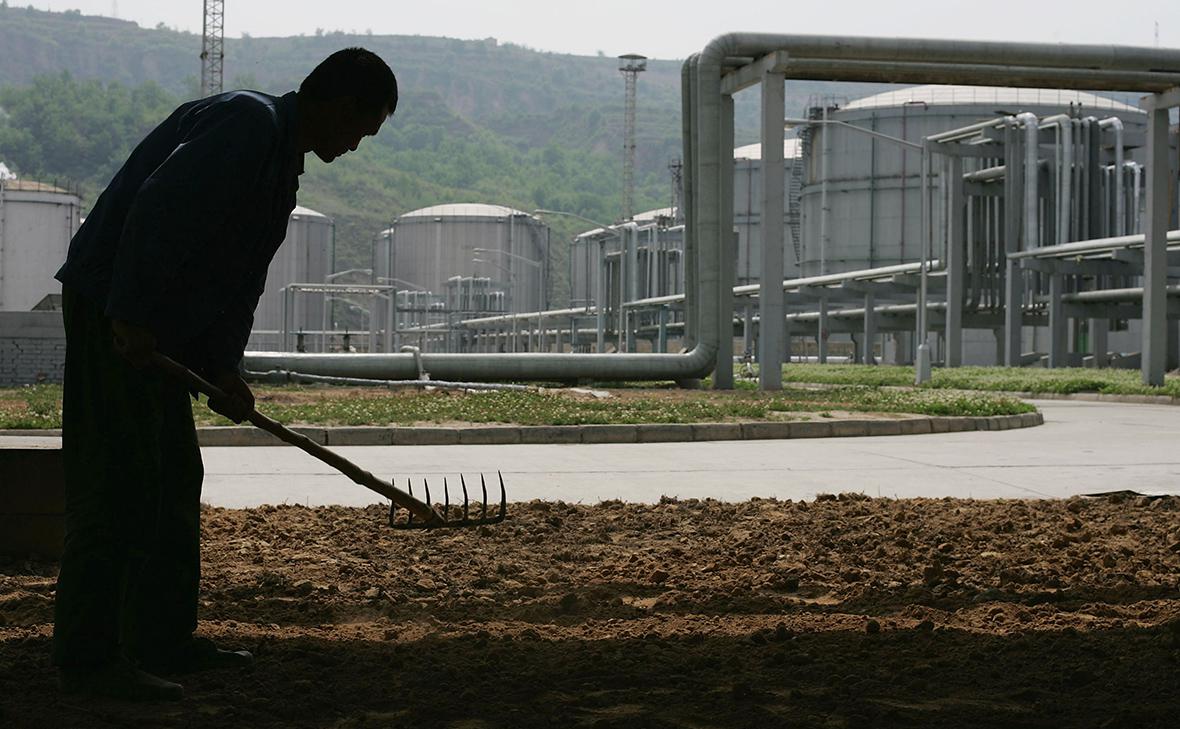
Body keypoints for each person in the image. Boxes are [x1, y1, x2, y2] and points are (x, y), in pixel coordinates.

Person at [51, 47, 398, 701]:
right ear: (341, 107)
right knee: (120, 481)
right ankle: (88, 661)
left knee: (177, 476)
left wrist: (225, 369)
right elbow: (157, 209)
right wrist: (128, 313)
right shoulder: (247, 124)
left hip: (152, 321)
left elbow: (238, 282)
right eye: (362, 130)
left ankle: (162, 639)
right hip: (113, 307)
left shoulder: (280, 170)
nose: (355, 147)